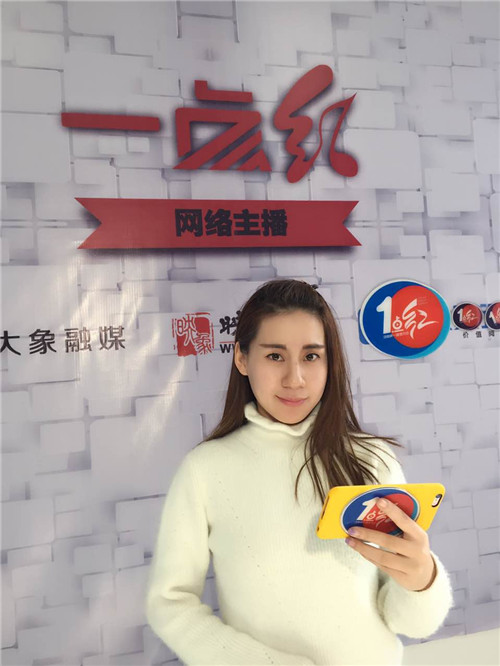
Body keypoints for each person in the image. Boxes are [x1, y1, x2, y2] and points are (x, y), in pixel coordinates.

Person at [146, 279, 453, 665]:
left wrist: (423, 579)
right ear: (242, 358)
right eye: (275, 356)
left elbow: (411, 622)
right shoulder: (205, 470)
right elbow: (170, 602)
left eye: (311, 356)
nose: (295, 379)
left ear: (329, 362)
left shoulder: (372, 459)